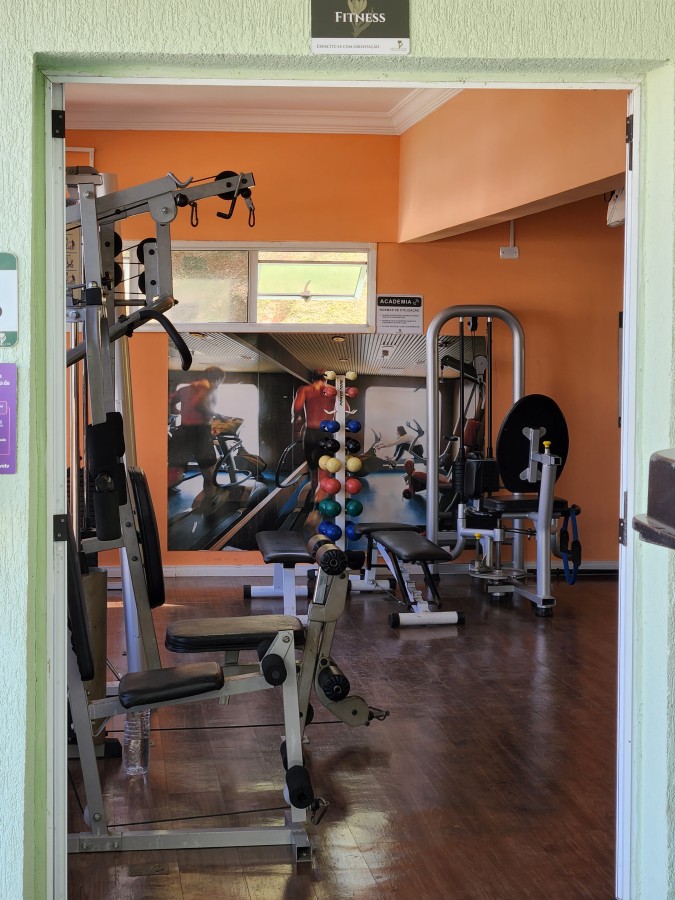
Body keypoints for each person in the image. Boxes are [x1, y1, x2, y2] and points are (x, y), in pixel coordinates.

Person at [168, 366, 225, 500]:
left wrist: (177, 411)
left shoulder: (185, 389)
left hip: (184, 431)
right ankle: (210, 499)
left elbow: (171, 401)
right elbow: (199, 404)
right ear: (217, 378)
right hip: (201, 433)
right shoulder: (208, 386)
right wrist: (218, 415)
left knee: (176, 469)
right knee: (208, 470)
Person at [292, 371, 336, 491]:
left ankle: (315, 496)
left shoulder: (304, 390)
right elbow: (346, 410)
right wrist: (332, 419)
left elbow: (296, 410)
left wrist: (296, 419)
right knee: (325, 468)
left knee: (314, 470)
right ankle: (322, 496)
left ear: (312, 378)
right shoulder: (333, 390)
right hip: (327, 432)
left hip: (310, 433)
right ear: (326, 378)